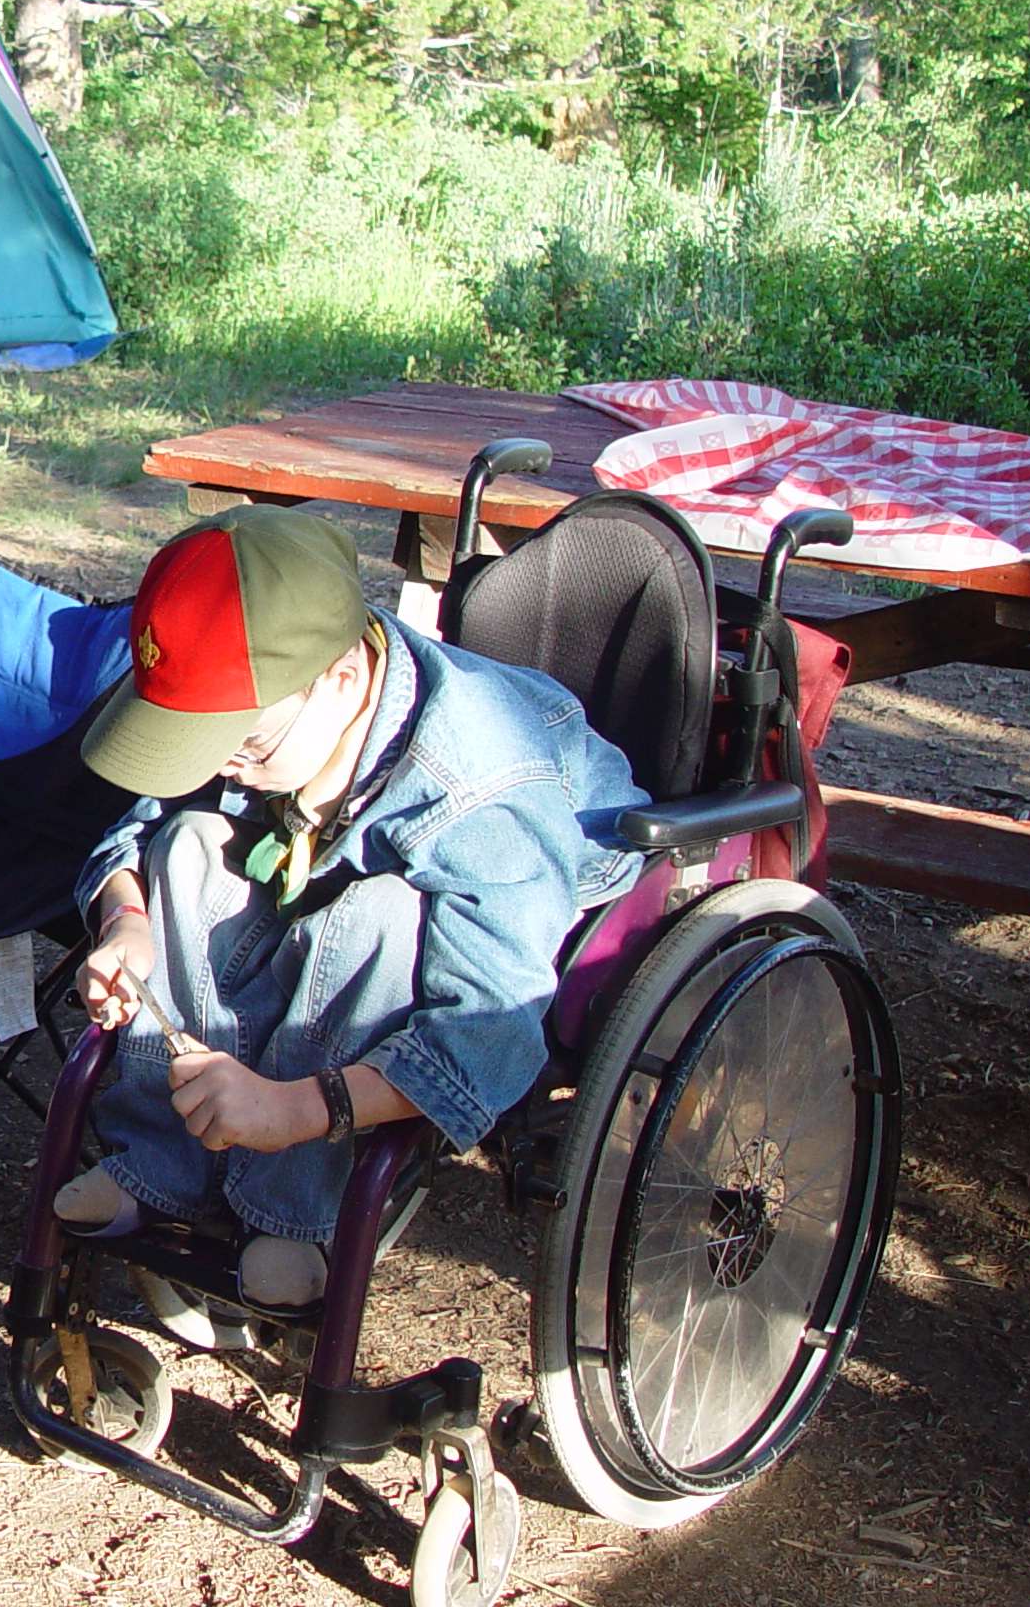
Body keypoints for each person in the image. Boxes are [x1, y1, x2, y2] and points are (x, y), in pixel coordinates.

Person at [60, 505, 647, 1308]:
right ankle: (164, 1167)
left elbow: (490, 1024)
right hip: (327, 830)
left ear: (341, 681)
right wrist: (125, 920)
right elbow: (148, 818)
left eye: (245, 746)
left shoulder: (483, 790)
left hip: (517, 892)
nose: (225, 764)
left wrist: (294, 1109)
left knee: (380, 913)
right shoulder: (271, 707)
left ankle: (293, 1216)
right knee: (191, 843)